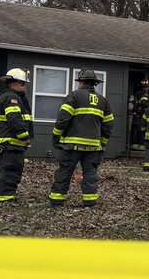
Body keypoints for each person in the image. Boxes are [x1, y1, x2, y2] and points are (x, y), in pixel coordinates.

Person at [49, 68, 114, 208]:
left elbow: (62, 119)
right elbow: (108, 126)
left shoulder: (74, 96)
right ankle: (89, 202)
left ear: (82, 82)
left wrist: (56, 136)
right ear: (94, 84)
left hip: (71, 145)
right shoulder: (103, 101)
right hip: (93, 147)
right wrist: (102, 143)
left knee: (64, 172)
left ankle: (56, 202)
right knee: (90, 174)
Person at [0, 68, 32, 202]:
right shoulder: (11, 98)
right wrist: (25, 137)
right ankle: (5, 198)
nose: (24, 86)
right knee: (11, 169)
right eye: (22, 83)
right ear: (13, 84)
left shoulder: (10, 96)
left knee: (5, 169)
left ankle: (1, 194)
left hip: (8, 141)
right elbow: (14, 119)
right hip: (10, 141)